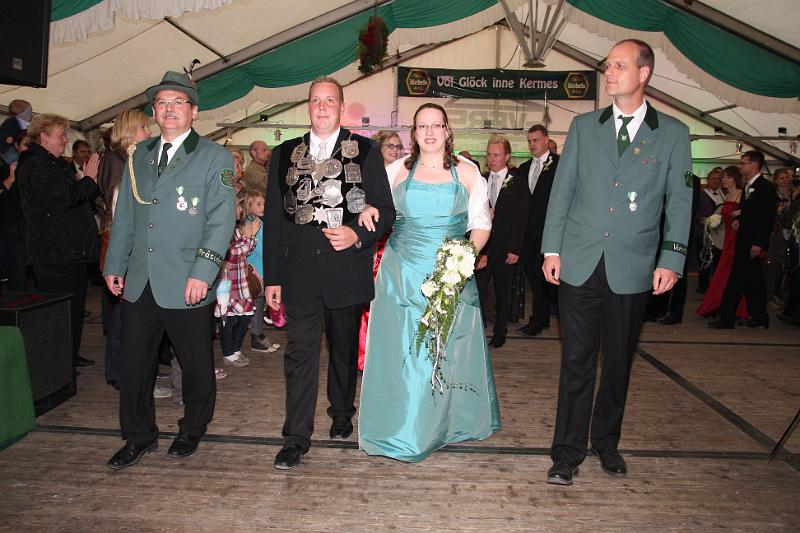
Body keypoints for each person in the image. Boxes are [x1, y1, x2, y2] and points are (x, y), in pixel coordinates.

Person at [541, 39, 692, 485]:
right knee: (576, 361)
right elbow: (562, 191)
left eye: (619, 66)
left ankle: (606, 443)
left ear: (643, 74)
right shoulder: (584, 127)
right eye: (607, 66)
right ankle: (566, 452)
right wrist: (552, 249)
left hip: (632, 265)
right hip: (579, 260)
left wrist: (672, 259)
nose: (608, 73)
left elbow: (680, 201)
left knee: (619, 362)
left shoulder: (673, 133)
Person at [103, 71, 236, 470]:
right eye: (162, 103)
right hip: (140, 278)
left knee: (195, 364)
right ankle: (138, 436)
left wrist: (204, 271)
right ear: (154, 112)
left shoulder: (213, 156)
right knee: (133, 363)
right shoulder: (138, 155)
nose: (170, 109)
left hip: (187, 279)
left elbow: (221, 220)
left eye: (178, 102)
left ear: (193, 111)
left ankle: (192, 429)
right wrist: (114, 263)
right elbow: (126, 215)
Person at [263, 76, 395, 470]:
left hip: (345, 268)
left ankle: (341, 410)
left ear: (341, 107)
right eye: (316, 100)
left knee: (342, 347)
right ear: (308, 106)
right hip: (298, 272)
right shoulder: (284, 153)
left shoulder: (366, 151)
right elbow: (274, 218)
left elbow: (386, 211)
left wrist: (357, 234)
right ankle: (295, 437)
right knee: (300, 353)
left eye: (329, 100)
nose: (322, 106)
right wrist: (272, 277)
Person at [358, 103, 501, 462]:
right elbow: (374, 209)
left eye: (436, 125)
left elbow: (481, 224)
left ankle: (444, 426)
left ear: (448, 130)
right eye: (422, 126)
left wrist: (462, 261)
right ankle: (403, 427)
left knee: (445, 352)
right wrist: (367, 211)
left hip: (449, 272)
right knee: (404, 353)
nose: (430, 132)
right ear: (414, 133)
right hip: (400, 275)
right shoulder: (395, 171)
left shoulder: (467, 171)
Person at [16, 114, 101, 370]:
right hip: (54, 252)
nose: (65, 140)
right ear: (43, 136)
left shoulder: (51, 163)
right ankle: (60, 362)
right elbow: (65, 198)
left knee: (73, 308)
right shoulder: (37, 165)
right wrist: (89, 179)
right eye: (61, 135)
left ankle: (69, 355)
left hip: (67, 251)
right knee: (60, 312)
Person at [96, 110, 152, 390]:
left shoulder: (131, 158)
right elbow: (118, 205)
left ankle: (132, 370)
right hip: (126, 248)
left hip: (133, 246)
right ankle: (119, 371)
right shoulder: (117, 160)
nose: (149, 133)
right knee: (123, 316)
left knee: (129, 314)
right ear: (131, 131)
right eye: (144, 128)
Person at [709, 151, 778, 329]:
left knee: (737, 280)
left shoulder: (765, 187)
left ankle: (727, 318)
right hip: (744, 239)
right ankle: (759, 317)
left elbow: (766, 218)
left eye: (743, 163)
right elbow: (750, 211)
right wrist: (739, 220)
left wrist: (758, 243)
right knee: (752, 281)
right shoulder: (749, 186)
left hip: (751, 242)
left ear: (754, 164)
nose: (741, 166)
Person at [357, 130, 404, 371]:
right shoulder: (368, 176)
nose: (395, 150)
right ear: (379, 149)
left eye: (398, 146)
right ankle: (365, 355)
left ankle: (391, 353)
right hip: (375, 244)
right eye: (390, 146)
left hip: (398, 243)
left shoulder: (405, 175)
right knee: (371, 300)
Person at [475, 134, 528, 348]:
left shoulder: (518, 183)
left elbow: (521, 219)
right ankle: (478, 331)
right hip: (483, 247)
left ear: (507, 156)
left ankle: (500, 332)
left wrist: (515, 249)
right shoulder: (480, 181)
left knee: (503, 292)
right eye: (489, 155)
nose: (491, 159)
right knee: (479, 291)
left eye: (496, 155)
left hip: (505, 248)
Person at [517, 124, 560, 337]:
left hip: (550, 233)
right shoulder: (524, 168)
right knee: (534, 277)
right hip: (529, 233)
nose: (532, 144)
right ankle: (541, 318)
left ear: (546, 140)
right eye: (529, 141)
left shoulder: (559, 165)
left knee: (545, 278)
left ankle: (539, 319)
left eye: (535, 140)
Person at [697, 166, 749, 319]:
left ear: (735, 179)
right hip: (727, 238)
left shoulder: (741, 194)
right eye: (723, 177)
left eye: (727, 177)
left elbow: (748, 212)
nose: (723, 180)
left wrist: (740, 214)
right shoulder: (727, 195)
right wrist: (714, 220)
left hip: (735, 239)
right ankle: (721, 304)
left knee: (729, 272)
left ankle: (732, 307)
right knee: (722, 273)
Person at [218, 192, 262, 367]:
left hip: (241, 280)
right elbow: (232, 253)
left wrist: (250, 236)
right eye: (237, 205)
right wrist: (249, 237)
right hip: (228, 282)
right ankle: (228, 353)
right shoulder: (224, 228)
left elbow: (247, 250)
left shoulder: (239, 227)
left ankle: (236, 349)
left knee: (245, 317)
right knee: (228, 319)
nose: (240, 209)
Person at [244, 188, 280, 353]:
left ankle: (258, 334)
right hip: (256, 271)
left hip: (262, 269)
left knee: (259, 305)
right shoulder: (252, 223)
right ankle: (256, 337)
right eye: (258, 204)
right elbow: (261, 249)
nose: (263, 207)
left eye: (264, 203)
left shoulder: (261, 221)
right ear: (249, 206)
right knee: (257, 306)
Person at [0, 131, 30, 292]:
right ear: (16, 146)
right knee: (17, 273)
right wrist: (10, 179)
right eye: (26, 144)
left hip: (28, 227)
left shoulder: (35, 168)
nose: (29, 148)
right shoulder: (6, 168)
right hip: (11, 228)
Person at [695, 168, 725, 293]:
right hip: (703, 232)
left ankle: (716, 285)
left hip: (720, 234)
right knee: (704, 260)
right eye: (713, 178)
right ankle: (703, 285)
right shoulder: (701, 194)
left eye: (719, 179)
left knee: (718, 261)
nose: (716, 181)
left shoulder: (726, 194)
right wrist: (702, 220)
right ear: (708, 180)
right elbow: (695, 210)